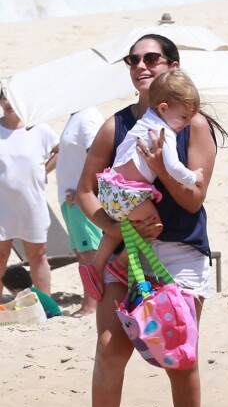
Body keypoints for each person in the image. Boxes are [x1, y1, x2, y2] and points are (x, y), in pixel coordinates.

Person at [62, 34, 228, 407]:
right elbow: (83, 191)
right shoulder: (115, 126)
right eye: (132, 59)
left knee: (180, 354)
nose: (140, 65)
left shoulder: (193, 125)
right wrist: (118, 227)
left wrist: (161, 163)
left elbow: (193, 200)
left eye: (151, 57)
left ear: (172, 66)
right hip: (124, 252)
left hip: (181, 253)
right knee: (109, 347)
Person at [78, 70, 204, 302]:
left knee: (120, 228)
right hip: (129, 193)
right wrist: (193, 177)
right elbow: (173, 167)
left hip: (110, 187)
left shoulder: (144, 120)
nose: (186, 124)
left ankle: (95, 265)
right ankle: (121, 263)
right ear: (164, 108)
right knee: (153, 226)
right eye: (184, 117)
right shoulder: (163, 132)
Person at [0, 89, 59, 300]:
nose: (8, 102)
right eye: (4, 96)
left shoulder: (39, 129)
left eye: (13, 97)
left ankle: (46, 305)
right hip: (2, 206)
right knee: (0, 256)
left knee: (38, 255)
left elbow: (60, 150)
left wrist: (44, 170)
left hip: (32, 203)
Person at [56, 107, 105, 317]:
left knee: (91, 253)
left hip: (81, 198)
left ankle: (93, 305)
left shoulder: (88, 116)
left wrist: (84, 190)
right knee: (83, 253)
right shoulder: (75, 115)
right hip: (71, 199)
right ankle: (90, 303)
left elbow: (98, 156)